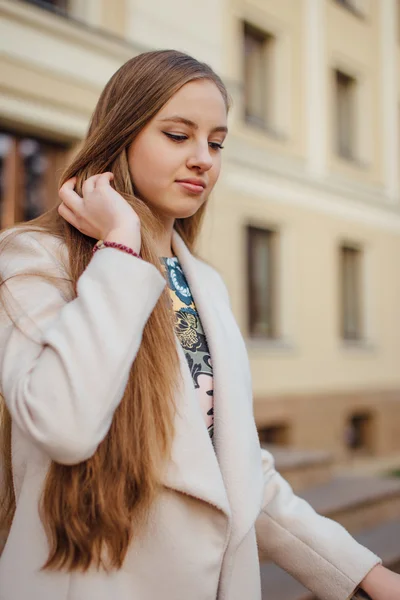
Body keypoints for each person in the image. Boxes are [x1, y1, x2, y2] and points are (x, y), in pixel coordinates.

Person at [0, 50, 398, 600]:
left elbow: (236, 473)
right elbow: (64, 426)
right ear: (123, 136)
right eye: (177, 135)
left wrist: (368, 577)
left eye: (215, 142)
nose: (202, 159)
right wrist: (118, 246)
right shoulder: (34, 260)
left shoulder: (204, 283)